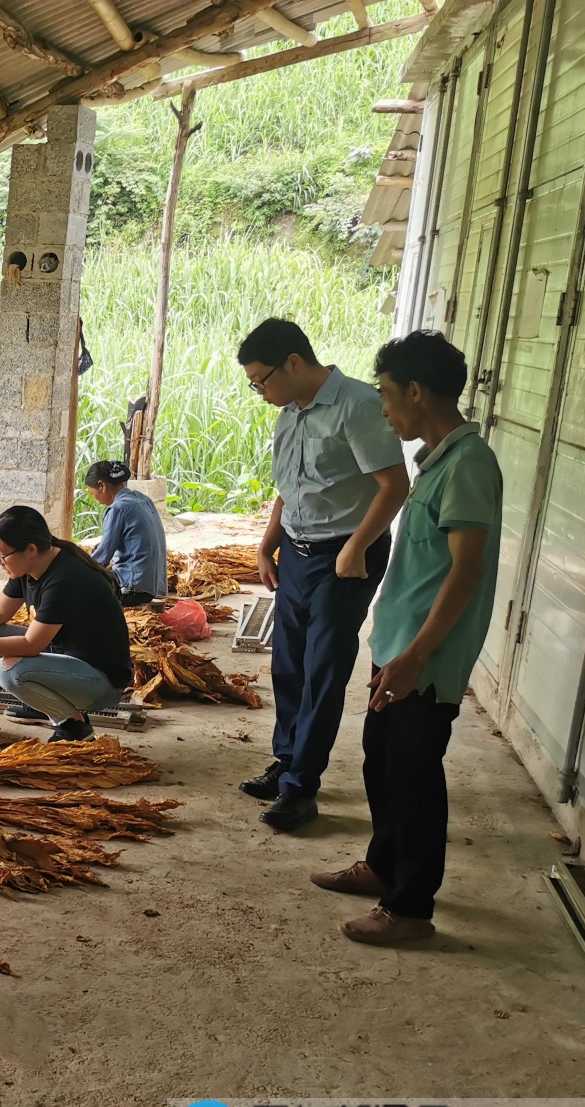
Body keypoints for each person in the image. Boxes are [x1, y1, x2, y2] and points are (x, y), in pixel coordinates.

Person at [311, 332, 502, 945]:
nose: (386, 411)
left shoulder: (469, 465)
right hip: (399, 648)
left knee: (415, 781)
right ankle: (382, 866)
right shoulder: (437, 459)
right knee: (382, 765)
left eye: (389, 397)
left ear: (416, 392)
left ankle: (410, 908)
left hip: (426, 659)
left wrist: (417, 656)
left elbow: (466, 572)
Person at [238, 318, 408, 832]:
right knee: (289, 664)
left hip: (346, 557)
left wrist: (357, 547)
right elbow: (290, 485)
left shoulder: (357, 406)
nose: (260, 392)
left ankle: (301, 786)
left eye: (261, 380)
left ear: (293, 362)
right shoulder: (290, 410)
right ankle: (287, 759)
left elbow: (394, 485)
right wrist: (270, 541)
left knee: (323, 669)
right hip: (297, 549)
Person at [0, 506, 132, 743]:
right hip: (68, 658)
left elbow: (30, 645)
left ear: (31, 549)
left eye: (2, 556)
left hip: (101, 682)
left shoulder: (65, 580)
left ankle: (72, 724)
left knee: (11, 671)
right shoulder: (31, 567)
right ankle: (43, 701)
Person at [85, 458, 168, 607]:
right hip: (151, 587)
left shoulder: (118, 508)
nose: (96, 500)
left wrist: (74, 570)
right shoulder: (143, 499)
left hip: (132, 591)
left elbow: (102, 557)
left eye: (92, 493)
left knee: (78, 584)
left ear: (102, 486)